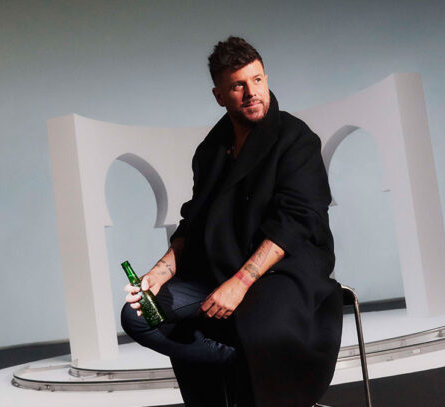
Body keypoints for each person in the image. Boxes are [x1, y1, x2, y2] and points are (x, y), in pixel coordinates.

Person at [121, 36, 343, 407]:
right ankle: (234, 362)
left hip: (284, 268)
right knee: (140, 315)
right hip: (217, 268)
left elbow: (295, 222)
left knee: (261, 329)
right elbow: (193, 222)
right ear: (219, 96)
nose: (251, 92)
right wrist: (159, 273)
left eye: (257, 80)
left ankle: (254, 374)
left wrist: (239, 284)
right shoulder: (211, 150)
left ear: (266, 79)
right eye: (238, 85)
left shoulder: (296, 139)